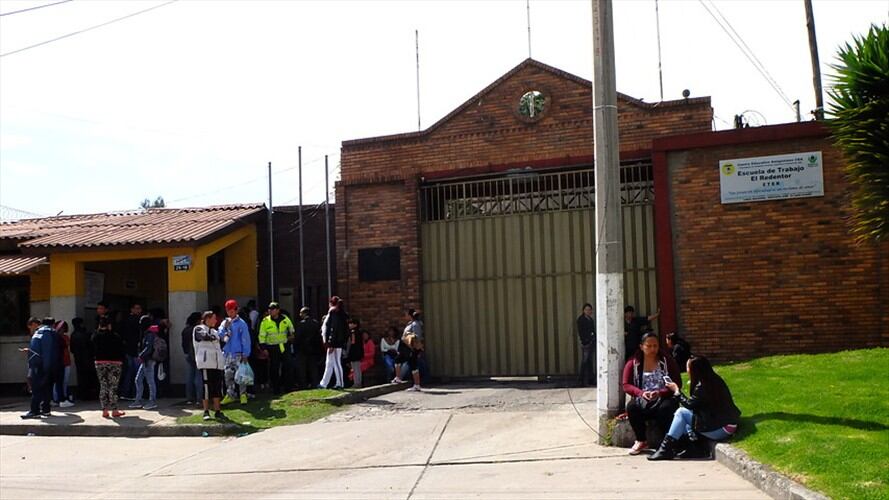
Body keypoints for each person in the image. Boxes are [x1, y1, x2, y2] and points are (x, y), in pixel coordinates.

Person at [649, 356, 741, 460]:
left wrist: (676, 391)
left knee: (681, 412)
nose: (687, 370)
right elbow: (695, 405)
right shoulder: (714, 379)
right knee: (686, 415)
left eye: (688, 368)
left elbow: (688, 404)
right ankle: (694, 448)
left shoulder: (702, 386)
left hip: (721, 429)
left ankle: (665, 450)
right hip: (726, 424)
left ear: (695, 370)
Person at [623, 332, 681, 455]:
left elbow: (677, 382)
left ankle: (666, 441)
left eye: (655, 346)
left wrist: (660, 393)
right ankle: (641, 440)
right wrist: (641, 393)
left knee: (666, 409)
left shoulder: (666, 360)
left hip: (663, 397)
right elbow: (626, 384)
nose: (652, 349)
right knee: (632, 407)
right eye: (648, 346)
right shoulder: (633, 362)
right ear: (641, 346)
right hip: (643, 398)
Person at [193, 311, 226, 421]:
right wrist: (212, 337)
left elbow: (222, 341)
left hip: (216, 365)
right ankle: (206, 411)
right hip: (206, 363)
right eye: (214, 318)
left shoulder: (215, 331)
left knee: (217, 387)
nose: (216, 321)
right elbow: (203, 336)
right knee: (206, 387)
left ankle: (217, 411)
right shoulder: (198, 329)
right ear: (207, 319)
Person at [21, 318, 57, 419]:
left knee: (37, 388)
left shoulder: (41, 333)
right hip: (46, 364)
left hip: (39, 365)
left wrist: (46, 367)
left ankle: (35, 410)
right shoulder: (49, 333)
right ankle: (45, 409)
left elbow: (46, 351)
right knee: (46, 388)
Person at [219, 299, 252, 404]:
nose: (230, 313)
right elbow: (220, 334)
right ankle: (230, 394)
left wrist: (245, 353)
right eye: (228, 311)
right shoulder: (225, 322)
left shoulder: (241, 323)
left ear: (236, 310)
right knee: (228, 375)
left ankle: (243, 394)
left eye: (232, 310)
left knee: (241, 374)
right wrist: (225, 328)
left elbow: (246, 339)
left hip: (239, 353)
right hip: (228, 353)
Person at [92, 317, 126, 418]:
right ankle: (114, 410)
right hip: (115, 363)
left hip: (100, 362)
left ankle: (104, 410)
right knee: (113, 386)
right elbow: (121, 349)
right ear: (109, 326)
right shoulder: (115, 336)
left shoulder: (95, 336)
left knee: (103, 385)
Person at [258, 302, 293, 394]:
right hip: (272, 347)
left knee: (287, 367)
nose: (270, 311)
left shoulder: (285, 319)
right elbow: (261, 336)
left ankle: (287, 387)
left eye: (272, 309)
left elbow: (291, 330)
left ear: (278, 310)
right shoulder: (265, 321)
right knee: (274, 368)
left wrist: (291, 337)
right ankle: (276, 389)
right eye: (269, 309)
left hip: (284, 346)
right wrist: (264, 348)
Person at [319, 296, 348, 389]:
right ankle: (324, 383)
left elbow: (333, 329)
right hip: (336, 342)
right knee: (329, 363)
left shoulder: (334, 313)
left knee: (336, 362)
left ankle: (340, 383)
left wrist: (331, 343)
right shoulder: (340, 314)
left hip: (335, 343)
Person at [130, 322, 159, 410]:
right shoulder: (150, 333)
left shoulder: (149, 334)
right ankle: (138, 400)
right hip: (145, 360)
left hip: (148, 360)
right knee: (138, 379)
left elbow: (148, 347)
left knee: (150, 381)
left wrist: (141, 355)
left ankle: (152, 401)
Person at [293, 307, 321, 390]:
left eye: (301, 313)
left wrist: (296, 347)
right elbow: (318, 337)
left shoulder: (301, 324)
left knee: (302, 368)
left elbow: (297, 337)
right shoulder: (316, 323)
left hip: (302, 349)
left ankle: (303, 385)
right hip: (313, 349)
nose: (300, 314)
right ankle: (314, 383)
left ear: (304, 313)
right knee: (313, 368)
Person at [119, 303, 143, 400]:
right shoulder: (137, 321)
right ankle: (135, 393)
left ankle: (126, 392)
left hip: (128, 350)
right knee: (137, 372)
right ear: (131, 309)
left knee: (129, 372)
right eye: (136, 308)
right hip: (135, 350)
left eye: (139, 308)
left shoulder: (125, 321)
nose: (138, 310)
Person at [70, 317, 97, 400]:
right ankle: (90, 394)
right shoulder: (87, 334)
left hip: (78, 359)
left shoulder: (73, 335)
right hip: (88, 358)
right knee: (89, 377)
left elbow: (72, 349)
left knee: (81, 377)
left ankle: (82, 394)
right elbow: (92, 346)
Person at [181, 312, 203, 405]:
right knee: (198, 377)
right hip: (197, 354)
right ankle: (199, 398)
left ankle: (189, 398)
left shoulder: (185, 330)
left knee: (189, 377)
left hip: (187, 354)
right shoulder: (197, 330)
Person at [52, 320, 75, 407]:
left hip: (66, 361)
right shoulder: (55, 337)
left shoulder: (66, 338)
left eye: (63, 328)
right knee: (57, 382)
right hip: (59, 362)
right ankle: (56, 398)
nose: (62, 329)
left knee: (65, 381)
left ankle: (63, 397)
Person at [402, 310, 424, 392]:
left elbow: (416, 336)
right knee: (413, 364)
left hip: (414, 347)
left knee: (413, 364)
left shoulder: (415, 324)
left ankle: (417, 384)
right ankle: (416, 384)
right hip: (411, 347)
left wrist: (413, 344)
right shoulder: (412, 323)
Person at [577, 303, 596, 387]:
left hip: (591, 342)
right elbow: (581, 332)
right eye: (586, 310)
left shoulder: (591, 319)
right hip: (585, 343)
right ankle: (581, 380)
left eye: (589, 310)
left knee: (590, 361)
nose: (588, 311)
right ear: (583, 311)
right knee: (584, 361)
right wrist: (585, 340)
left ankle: (590, 379)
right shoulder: (581, 319)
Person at [346, 318, 364, 388]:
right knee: (358, 368)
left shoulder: (353, 332)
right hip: (359, 352)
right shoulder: (359, 332)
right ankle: (359, 382)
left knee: (355, 368)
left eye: (351, 323)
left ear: (355, 325)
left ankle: (356, 383)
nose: (349, 325)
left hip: (354, 352)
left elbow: (352, 342)